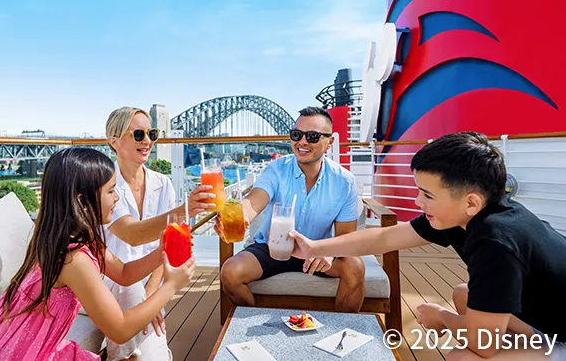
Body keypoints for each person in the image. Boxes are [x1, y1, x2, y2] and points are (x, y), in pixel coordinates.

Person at [289, 132, 566, 360]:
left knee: (464, 357)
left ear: (471, 202)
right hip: (542, 319)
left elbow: (483, 344)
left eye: (427, 195)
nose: (417, 202)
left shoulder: (496, 243)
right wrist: (315, 248)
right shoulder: (468, 214)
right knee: (464, 294)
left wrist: (442, 318)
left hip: (559, 338)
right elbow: (384, 238)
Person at [0, 147, 195, 361]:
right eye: (111, 191)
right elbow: (120, 329)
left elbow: (124, 273)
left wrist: (161, 252)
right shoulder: (74, 260)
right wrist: (171, 286)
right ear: (83, 202)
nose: (117, 197)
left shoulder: (62, 237)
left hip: (5, 344)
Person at [216, 106, 365, 312]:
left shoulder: (344, 182)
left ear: (329, 142)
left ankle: (340, 328)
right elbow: (254, 200)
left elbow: (346, 237)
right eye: (296, 135)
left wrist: (329, 252)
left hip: (316, 250)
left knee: (355, 267)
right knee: (230, 272)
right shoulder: (276, 169)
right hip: (272, 247)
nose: (302, 142)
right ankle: (256, 323)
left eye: (312, 136)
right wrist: (239, 215)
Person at [103, 107, 214, 361]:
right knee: (130, 291)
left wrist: (151, 296)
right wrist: (185, 209)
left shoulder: (163, 183)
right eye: (138, 134)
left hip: (148, 283)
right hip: (112, 280)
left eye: (152, 133)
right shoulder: (104, 185)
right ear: (114, 141)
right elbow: (131, 234)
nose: (148, 141)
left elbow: (165, 249)